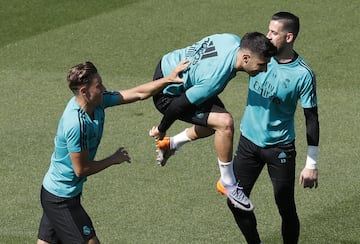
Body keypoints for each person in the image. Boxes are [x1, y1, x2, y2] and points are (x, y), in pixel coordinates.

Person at [37, 60, 189, 244]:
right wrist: (113, 159)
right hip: (61, 198)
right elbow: (81, 169)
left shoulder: (97, 102)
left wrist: (168, 79)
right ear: (84, 92)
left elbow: (138, 93)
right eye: (98, 85)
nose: (104, 88)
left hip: (59, 192)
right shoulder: (77, 124)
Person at [148, 32, 277, 211]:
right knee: (224, 123)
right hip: (167, 92)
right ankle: (228, 183)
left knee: (212, 127)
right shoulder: (215, 79)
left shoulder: (232, 40)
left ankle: (171, 145)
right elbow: (177, 106)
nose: (263, 70)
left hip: (169, 62)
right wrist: (162, 129)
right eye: (262, 65)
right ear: (246, 58)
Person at [227, 12, 320, 244]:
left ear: (289, 37)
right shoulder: (258, 57)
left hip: (280, 148)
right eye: (268, 30)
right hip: (248, 142)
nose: (267, 37)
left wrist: (312, 164)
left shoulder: (303, 74)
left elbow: (311, 118)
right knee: (234, 199)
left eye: (274, 33)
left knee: (285, 205)